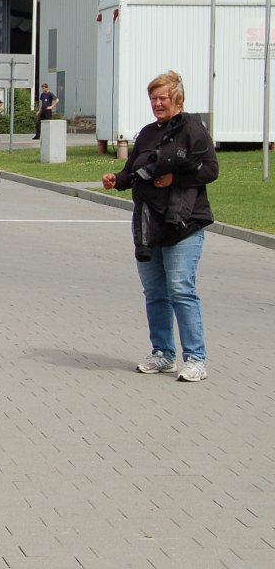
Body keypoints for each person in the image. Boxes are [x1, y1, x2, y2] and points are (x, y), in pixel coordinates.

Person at [101, 71, 217, 383]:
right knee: (155, 292)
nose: (157, 103)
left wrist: (174, 179)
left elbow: (210, 169)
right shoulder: (148, 132)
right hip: (149, 223)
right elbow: (132, 171)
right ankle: (163, 354)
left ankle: (195, 358)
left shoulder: (192, 128)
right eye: (153, 98)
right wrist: (117, 180)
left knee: (181, 288)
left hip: (184, 222)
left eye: (162, 97)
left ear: (177, 98)